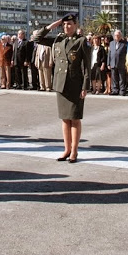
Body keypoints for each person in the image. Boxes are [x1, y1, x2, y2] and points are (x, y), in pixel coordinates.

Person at [33, 13, 90, 163]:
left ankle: (75, 151)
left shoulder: (81, 41)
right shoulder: (58, 40)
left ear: (76, 25)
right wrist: (54, 24)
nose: (66, 27)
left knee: (75, 119)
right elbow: (37, 38)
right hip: (60, 84)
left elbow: (86, 67)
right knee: (65, 119)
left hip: (75, 84)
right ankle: (67, 149)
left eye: (69, 24)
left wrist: (85, 86)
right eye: (64, 24)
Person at [108, 30, 128, 95]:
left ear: (121, 36)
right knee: (114, 78)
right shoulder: (111, 43)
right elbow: (109, 54)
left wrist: (126, 64)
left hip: (121, 63)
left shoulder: (125, 44)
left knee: (121, 78)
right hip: (113, 63)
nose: (117, 36)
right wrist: (108, 63)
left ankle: (122, 91)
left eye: (118, 35)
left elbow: (127, 54)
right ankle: (115, 90)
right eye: (116, 35)